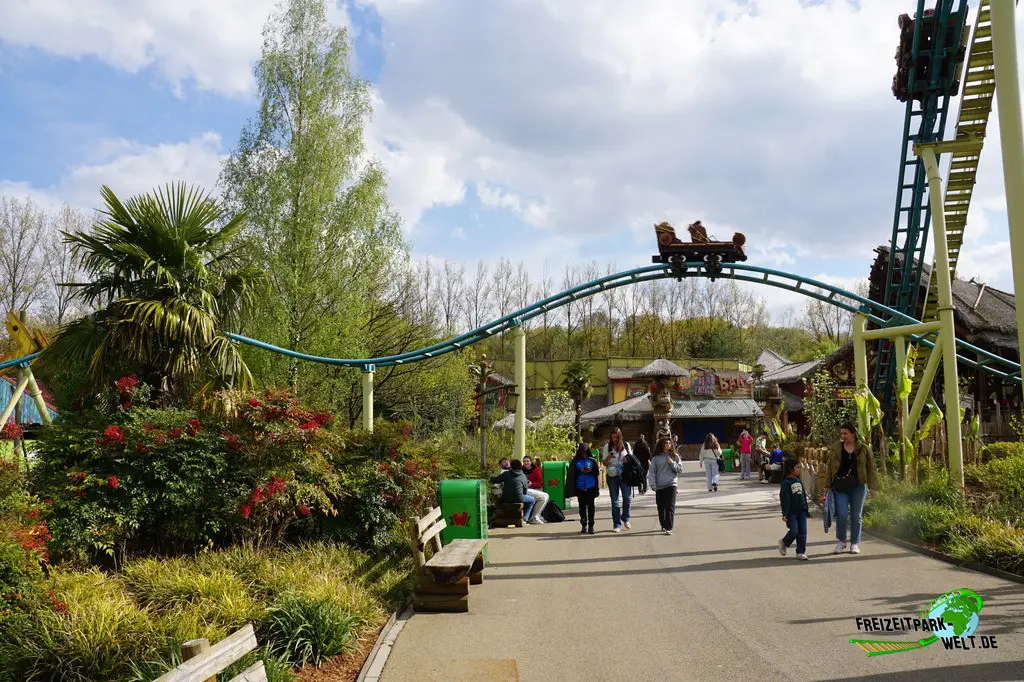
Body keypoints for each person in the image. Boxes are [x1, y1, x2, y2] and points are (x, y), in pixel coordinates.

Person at [824, 423, 877, 555]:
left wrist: (873, 487)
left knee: (856, 515)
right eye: (841, 434)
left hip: (858, 486)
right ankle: (841, 541)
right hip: (840, 487)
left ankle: (854, 543)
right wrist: (827, 485)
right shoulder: (836, 448)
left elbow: (871, 468)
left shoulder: (864, 449)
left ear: (853, 433)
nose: (843, 436)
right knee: (841, 514)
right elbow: (829, 466)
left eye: (845, 433)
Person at [648, 437, 684, 534]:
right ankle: (663, 524)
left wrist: (672, 463)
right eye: (665, 443)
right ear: (661, 445)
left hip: (671, 484)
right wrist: (653, 484)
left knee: (670, 506)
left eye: (669, 443)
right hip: (660, 485)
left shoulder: (675, 456)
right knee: (661, 507)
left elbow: (680, 470)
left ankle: (669, 527)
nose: (668, 444)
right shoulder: (656, 458)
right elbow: (652, 473)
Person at [602, 427, 634, 531]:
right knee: (615, 501)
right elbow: (604, 463)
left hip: (624, 475)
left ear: (620, 436)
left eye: (616, 437)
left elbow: (631, 460)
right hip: (612, 476)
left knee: (627, 498)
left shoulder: (626, 445)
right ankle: (617, 524)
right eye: (612, 437)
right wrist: (608, 458)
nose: (614, 439)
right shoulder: (607, 446)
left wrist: (626, 460)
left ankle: (625, 517)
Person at [778, 458, 809, 560]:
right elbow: (785, 499)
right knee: (794, 531)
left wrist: (806, 509)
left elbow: (803, 495)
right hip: (792, 513)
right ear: (791, 469)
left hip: (802, 511)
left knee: (803, 532)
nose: (799, 469)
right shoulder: (786, 483)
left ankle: (800, 552)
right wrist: (785, 513)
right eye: (797, 467)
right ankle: (784, 542)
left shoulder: (799, 481)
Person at [570, 443, 600, 534]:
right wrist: (580, 470)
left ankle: (591, 526)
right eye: (583, 452)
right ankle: (584, 525)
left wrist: (590, 470)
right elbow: (572, 473)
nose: (584, 453)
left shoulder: (592, 461)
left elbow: (597, 473)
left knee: (591, 507)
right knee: (582, 508)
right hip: (580, 487)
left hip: (590, 486)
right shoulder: (576, 461)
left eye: (586, 452)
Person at [499, 459, 536, 524]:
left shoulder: (505, 474)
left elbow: (495, 480)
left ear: (511, 466)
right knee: (532, 500)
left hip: (505, 498)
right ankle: (525, 519)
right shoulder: (523, 475)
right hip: (519, 498)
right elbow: (525, 490)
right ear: (520, 466)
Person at [521, 455, 549, 524]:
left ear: (531, 462)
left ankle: (535, 515)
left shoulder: (536, 470)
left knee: (543, 496)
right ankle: (534, 517)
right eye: (524, 461)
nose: (526, 463)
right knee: (543, 496)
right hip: (524, 490)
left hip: (534, 489)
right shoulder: (520, 470)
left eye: (527, 461)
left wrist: (531, 484)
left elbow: (540, 484)